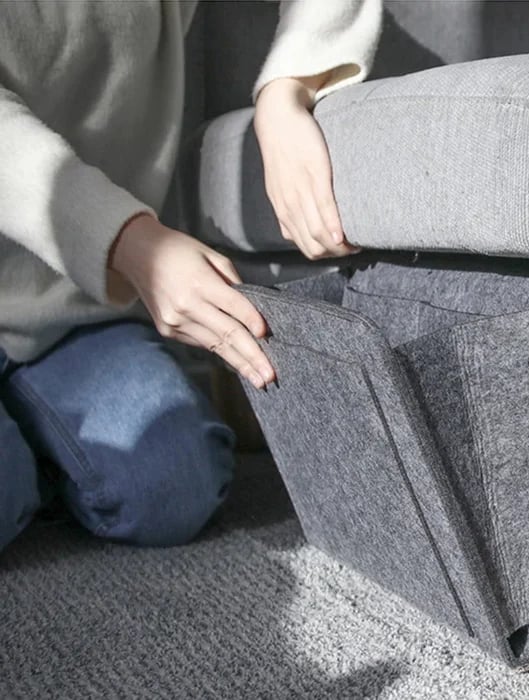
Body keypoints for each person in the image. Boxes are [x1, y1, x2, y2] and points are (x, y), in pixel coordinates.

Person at [0, 0, 382, 553]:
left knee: (174, 487)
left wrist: (287, 90)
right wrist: (135, 246)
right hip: (106, 251)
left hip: (73, 309)